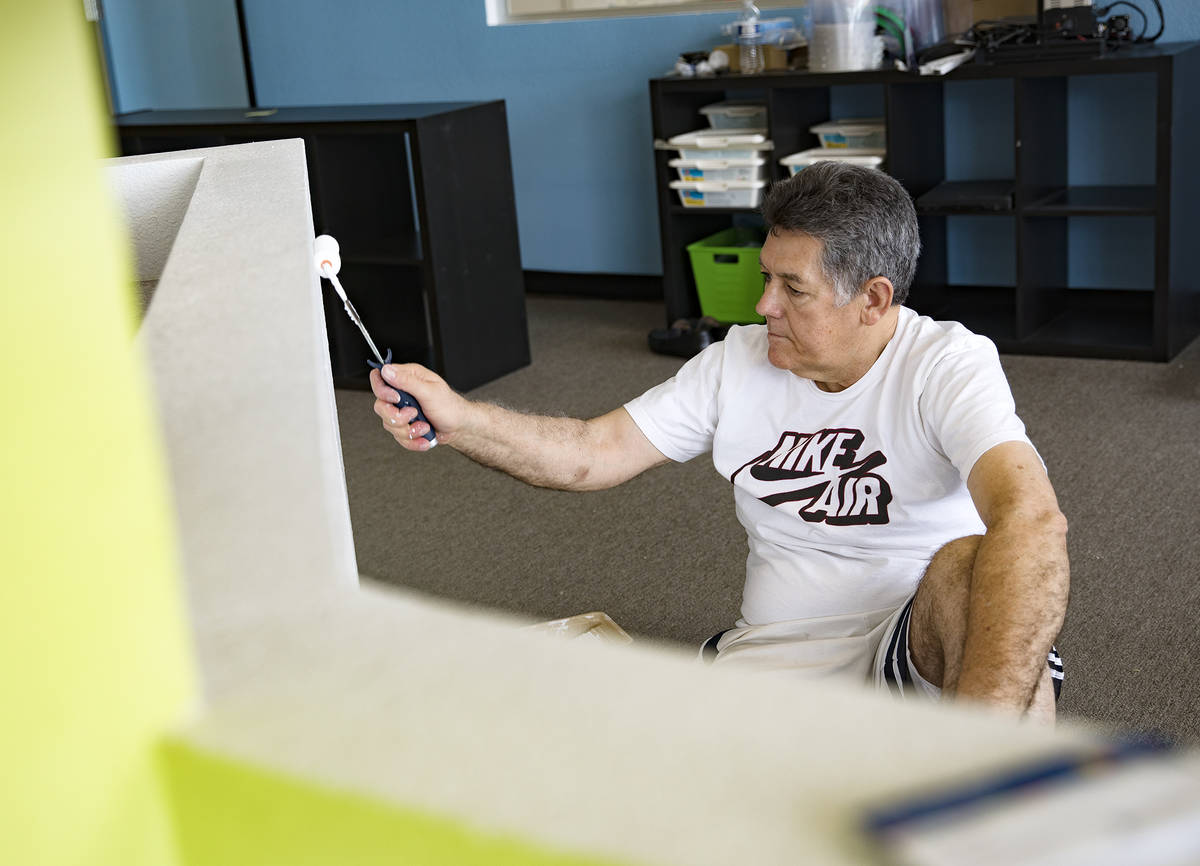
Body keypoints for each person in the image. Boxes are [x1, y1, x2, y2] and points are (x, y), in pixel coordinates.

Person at [368, 162, 1069, 721]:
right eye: (767, 278)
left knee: (972, 570)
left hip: (915, 647)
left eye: (792, 288)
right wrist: (460, 418)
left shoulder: (946, 363)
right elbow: (592, 450)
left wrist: (979, 755)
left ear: (874, 300)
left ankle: (992, 793)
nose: (763, 305)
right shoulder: (738, 360)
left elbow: (1031, 517)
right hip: (773, 663)